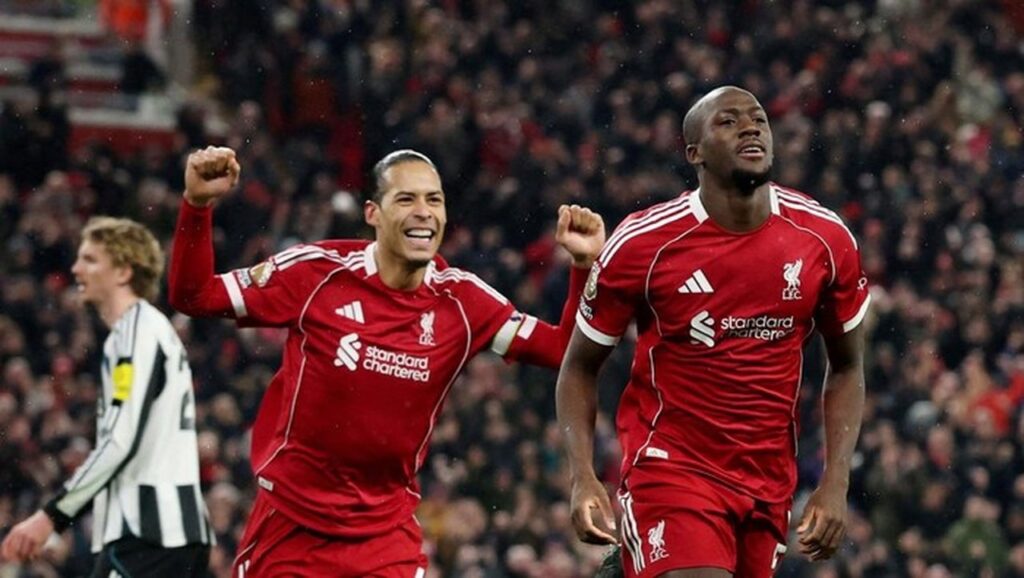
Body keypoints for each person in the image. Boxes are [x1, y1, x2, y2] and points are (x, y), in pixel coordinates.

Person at [168, 146, 606, 576]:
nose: (424, 212)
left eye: (434, 200)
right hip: (292, 528)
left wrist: (584, 267)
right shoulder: (317, 274)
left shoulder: (463, 301)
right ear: (373, 213)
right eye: (406, 199)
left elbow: (562, 350)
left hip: (384, 539)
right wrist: (197, 206)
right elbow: (195, 296)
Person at [557, 86, 870, 578]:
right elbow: (578, 367)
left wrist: (836, 481)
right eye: (728, 121)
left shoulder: (824, 238)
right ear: (694, 153)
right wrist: (582, 475)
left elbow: (848, 366)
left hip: (767, 486)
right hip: (671, 469)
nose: (750, 128)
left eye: (759, 119)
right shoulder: (643, 244)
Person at [1, 217, 212, 576]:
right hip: (166, 531)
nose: (76, 268)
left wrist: (50, 516)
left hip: (149, 535)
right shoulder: (143, 330)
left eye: (90, 259)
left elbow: (120, 439)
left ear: (123, 272)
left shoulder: (135, 333)